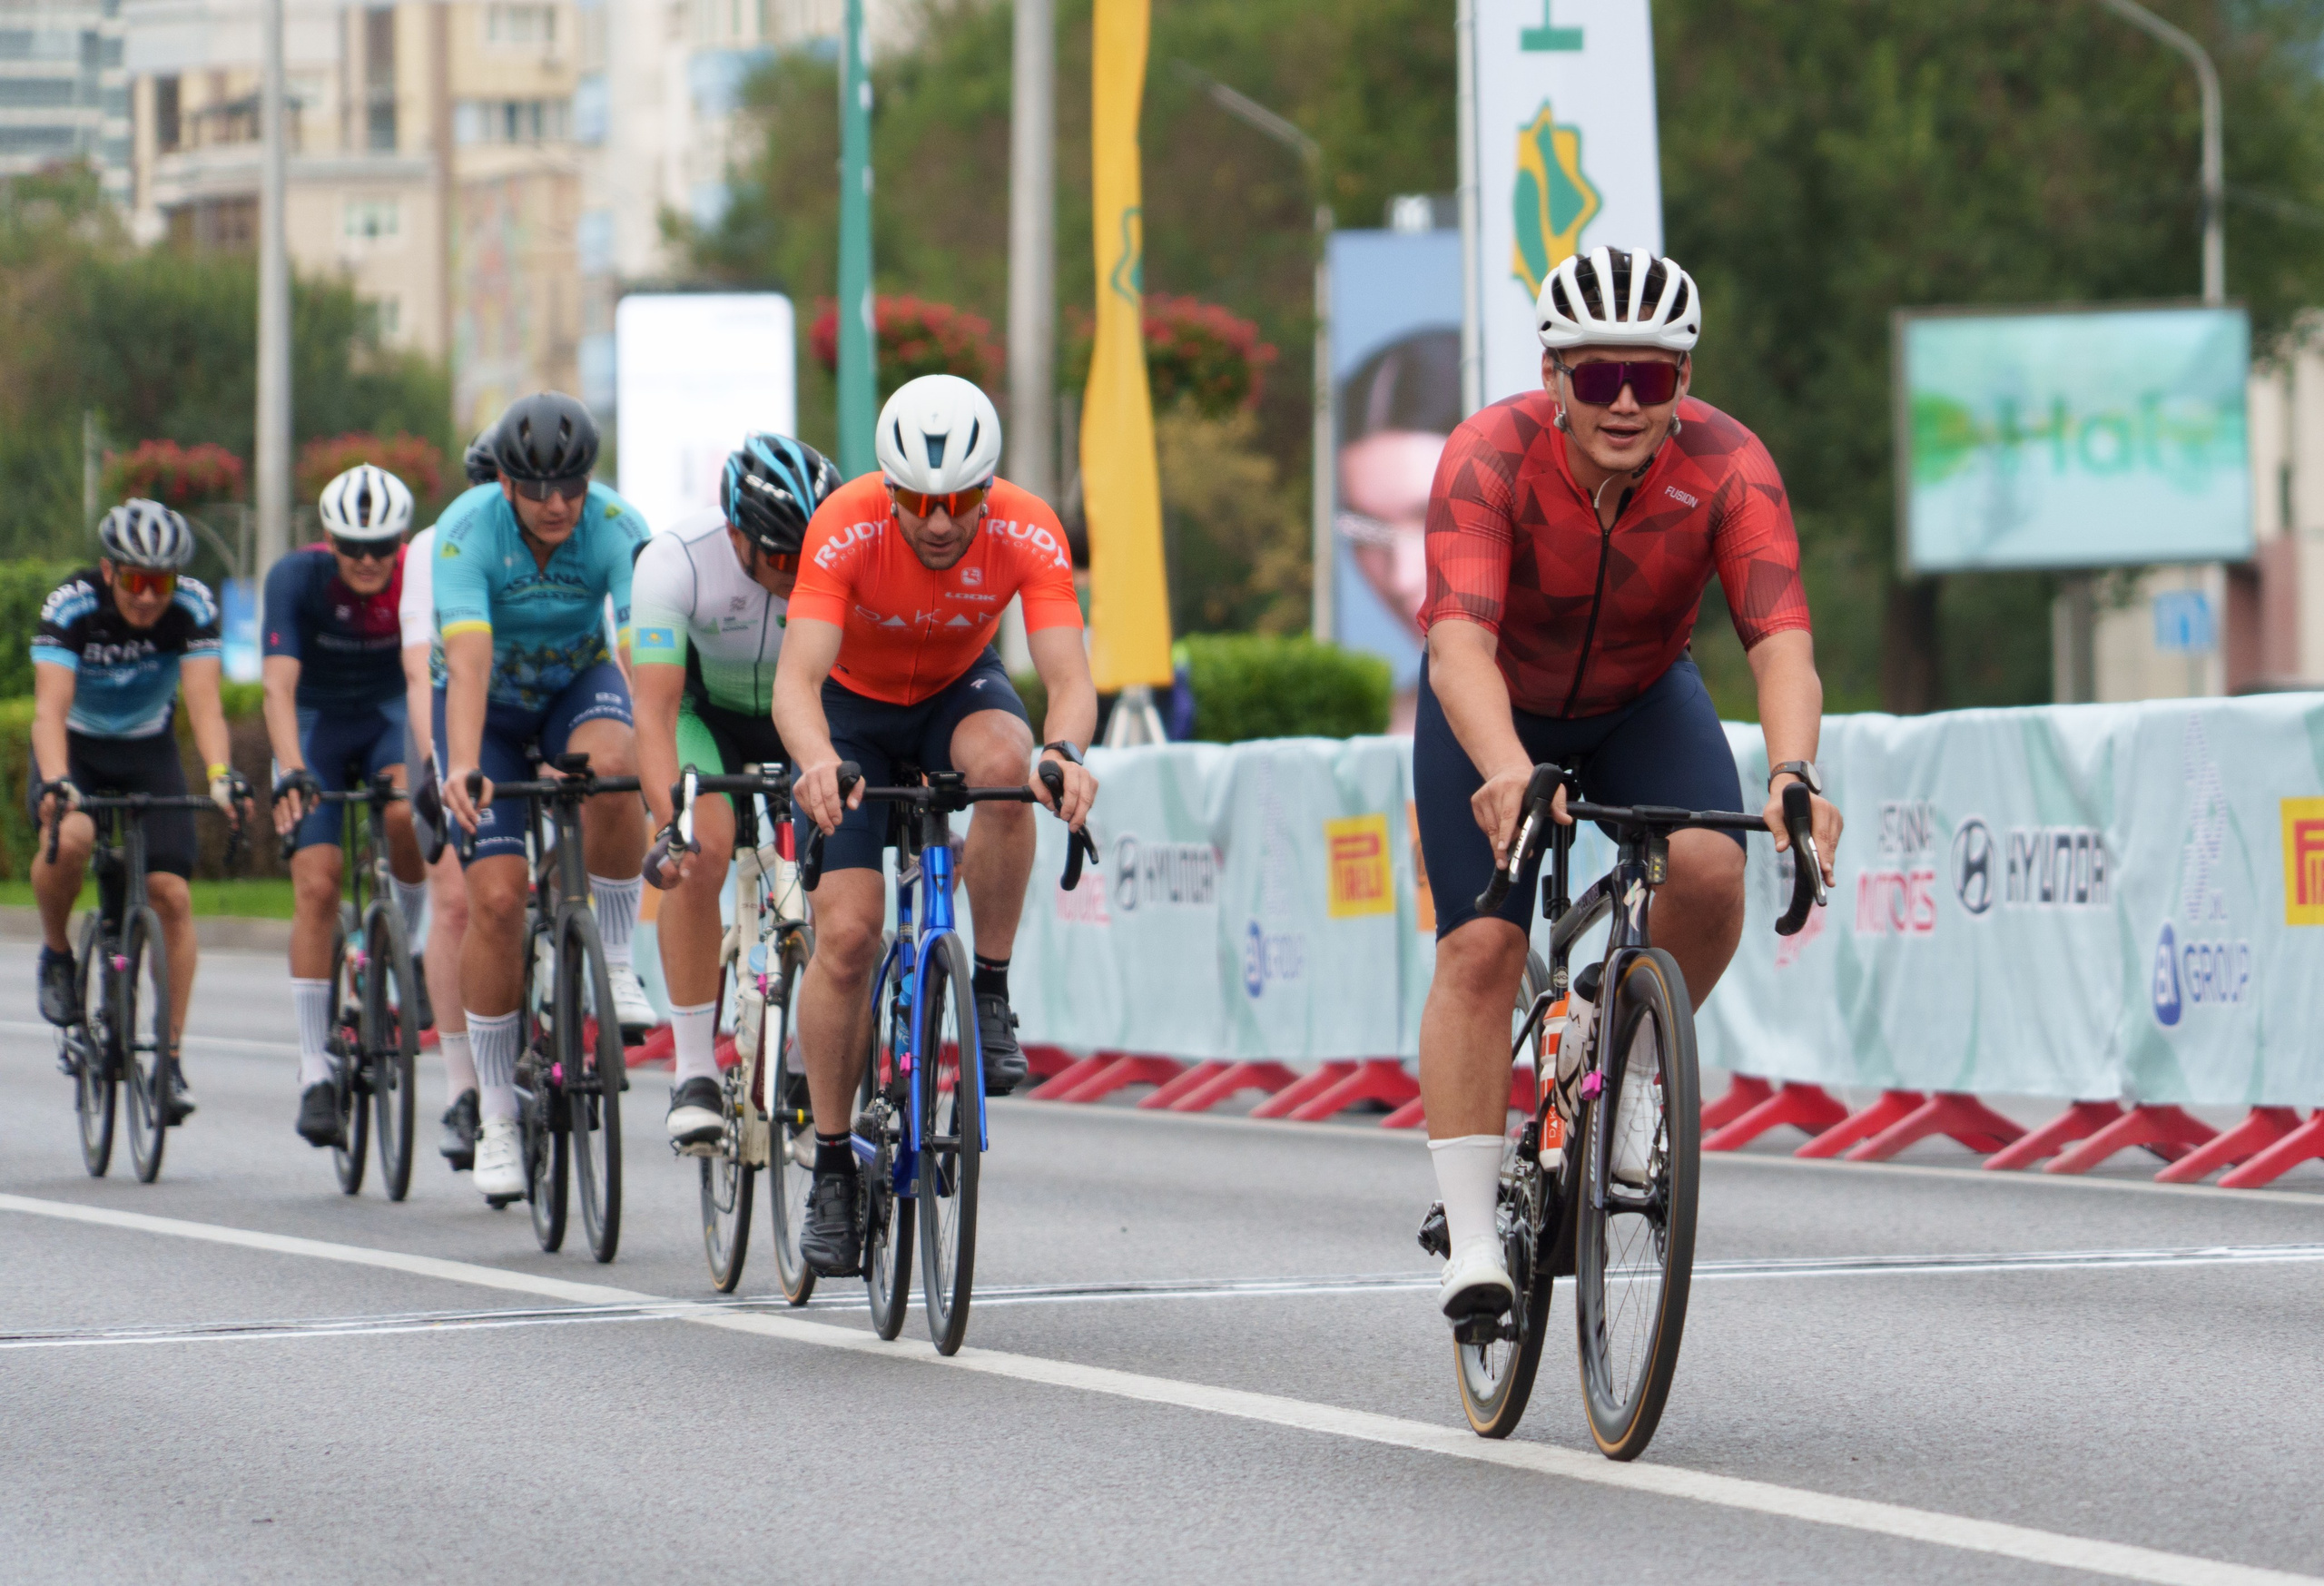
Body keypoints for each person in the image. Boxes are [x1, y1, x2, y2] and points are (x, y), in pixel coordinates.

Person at [1413, 248, 1844, 1323]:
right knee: (1482, 945)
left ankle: (1628, 1070)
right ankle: (1471, 1236)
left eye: (1648, 377)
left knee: (1709, 866)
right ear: (1552, 374)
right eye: (1596, 373)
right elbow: (1459, 642)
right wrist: (1508, 769)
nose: (1621, 400)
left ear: (1682, 384)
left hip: (1643, 695)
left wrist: (1793, 772)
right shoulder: (1489, 456)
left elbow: (1780, 641)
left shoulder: (1732, 466)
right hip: (1495, 700)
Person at [775, 374, 1100, 1277]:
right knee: (846, 934)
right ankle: (834, 1167)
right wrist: (813, 761)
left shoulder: (1029, 526)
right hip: (850, 718)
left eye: (960, 500)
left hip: (956, 693)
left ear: (987, 489)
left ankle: (987, 990)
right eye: (919, 501)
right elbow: (796, 681)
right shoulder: (842, 521)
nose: (940, 520)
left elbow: (1069, 676)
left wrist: (1064, 752)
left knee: (1010, 762)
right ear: (890, 488)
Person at [435, 391, 654, 1202]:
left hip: (575, 686)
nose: (559, 505)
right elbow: (468, 663)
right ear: (505, 485)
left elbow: (643, 660)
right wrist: (462, 764)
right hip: (485, 710)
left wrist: (662, 777)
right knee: (492, 901)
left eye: (574, 485)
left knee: (618, 761)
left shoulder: (619, 527)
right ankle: (495, 1113)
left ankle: (620, 958)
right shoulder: (466, 532)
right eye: (538, 490)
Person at [636, 433, 840, 1144]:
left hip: (799, 712)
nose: (796, 573)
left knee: (840, 858)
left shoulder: (841, 553)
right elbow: (656, 713)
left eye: (807, 556)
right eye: (781, 558)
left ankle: (802, 1042)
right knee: (703, 850)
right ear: (735, 534)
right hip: (704, 718)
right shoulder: (674, 560)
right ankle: (693, 1069)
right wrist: (673, 821)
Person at [28, 500, 251, 1118]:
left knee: (171, 896)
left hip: (147, 748)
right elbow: (49, 709)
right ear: (108, 570)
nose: (149, 597)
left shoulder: (193, 605)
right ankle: (56, 951)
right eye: (135, 581)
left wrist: (219, 775)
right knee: (69, 837)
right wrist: (56, 781)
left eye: (161, 582)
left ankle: (170, 1063)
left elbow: (205, 705)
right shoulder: (71, 603)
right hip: (76, 746)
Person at [261, 464, 430, 1148]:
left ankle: (411, 946)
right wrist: (293, 772)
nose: (367, 561)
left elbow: (428, 673)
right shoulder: (294, 579)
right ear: (328, 538)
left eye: (382, 547)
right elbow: (277, 688)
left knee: (401, 811)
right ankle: (313, 1070)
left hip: (388, 716)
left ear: (402, 540)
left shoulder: (418, 573)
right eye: (352, 547)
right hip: (315, 726)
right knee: (318, 883)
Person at [399, 434, 502, 1167]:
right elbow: (417, 670)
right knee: (458, 898)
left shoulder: (567, 539)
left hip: (540, 710)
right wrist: (440, 768)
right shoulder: (438, 545)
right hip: (448, 715)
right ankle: (463, 1084)